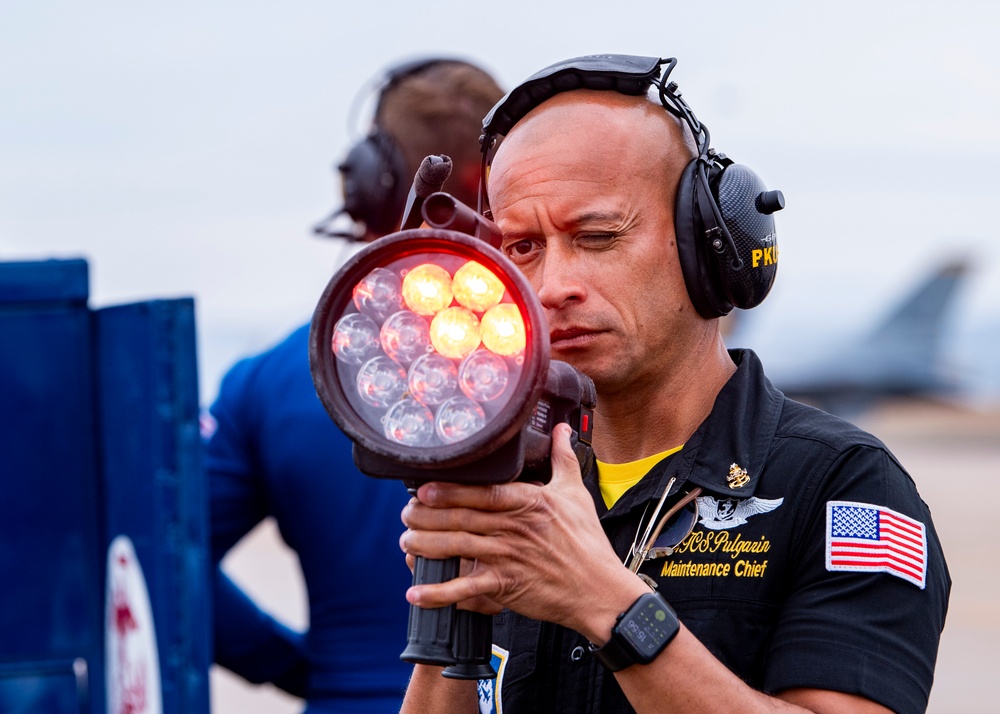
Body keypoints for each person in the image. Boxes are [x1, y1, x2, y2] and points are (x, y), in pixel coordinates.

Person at [398, 54, 950, 713]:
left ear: (708, 244)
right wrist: (457, 626)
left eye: (597, 236)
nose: (550, 287)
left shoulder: (846, 487)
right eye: (522, 248)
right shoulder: (513, 487)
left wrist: (608, 603)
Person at [205, 57, 504, 713]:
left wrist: (290, 665)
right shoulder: (572, 366)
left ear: (368, 182)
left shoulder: (270, 381)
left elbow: (167, 555)